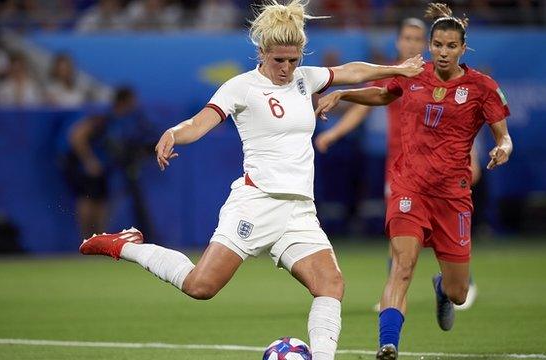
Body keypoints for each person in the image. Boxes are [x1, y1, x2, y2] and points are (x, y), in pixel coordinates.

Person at [78, 1, 424, 359]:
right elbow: (200, 122)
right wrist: (174, 133)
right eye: (278, 61)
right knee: (201, 286)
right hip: (256, 203)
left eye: (293, 60)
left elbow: (352, 71)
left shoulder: (306, 79)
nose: (287, 68)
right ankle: (126, 245)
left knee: (331, 284)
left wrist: (396, 69)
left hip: (299, 210)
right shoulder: (241, 88)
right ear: (261, 52)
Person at [315, 3, 512, 359]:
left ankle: (442, 289)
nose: (442, 52)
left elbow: (504, 135)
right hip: (410, 188)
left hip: (453, 197)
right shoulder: (413, 74)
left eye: (451, 46)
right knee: (401, 267)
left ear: (463, 49)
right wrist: (343, 93)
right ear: (429, 44)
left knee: (458, 293)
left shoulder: (481, 87)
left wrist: (503, 148)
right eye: (437, 44)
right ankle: (388, 344)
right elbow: (380, 94)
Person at [315, 16, 479, 313]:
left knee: (443, 233)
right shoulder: (394, 74)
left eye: (417, 39)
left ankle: (452, 282)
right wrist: (334, 134)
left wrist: (475, 157)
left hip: (443, 172)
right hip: (403, 170)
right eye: (407, 38)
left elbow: (466, 125)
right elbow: (365, 107)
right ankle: (396, 295)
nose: (412, 44)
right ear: (398, 41)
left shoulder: (442, 76)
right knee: (400, 238)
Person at [65, 87, 156, 239]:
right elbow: (77, 136)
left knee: (101, 202)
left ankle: (98, 239)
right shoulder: (104, 117)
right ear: (124, 101)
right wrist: (89, 160)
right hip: (87, 167)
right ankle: (85, 238)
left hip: (103, 168)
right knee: (88, 200)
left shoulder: (122, 120)